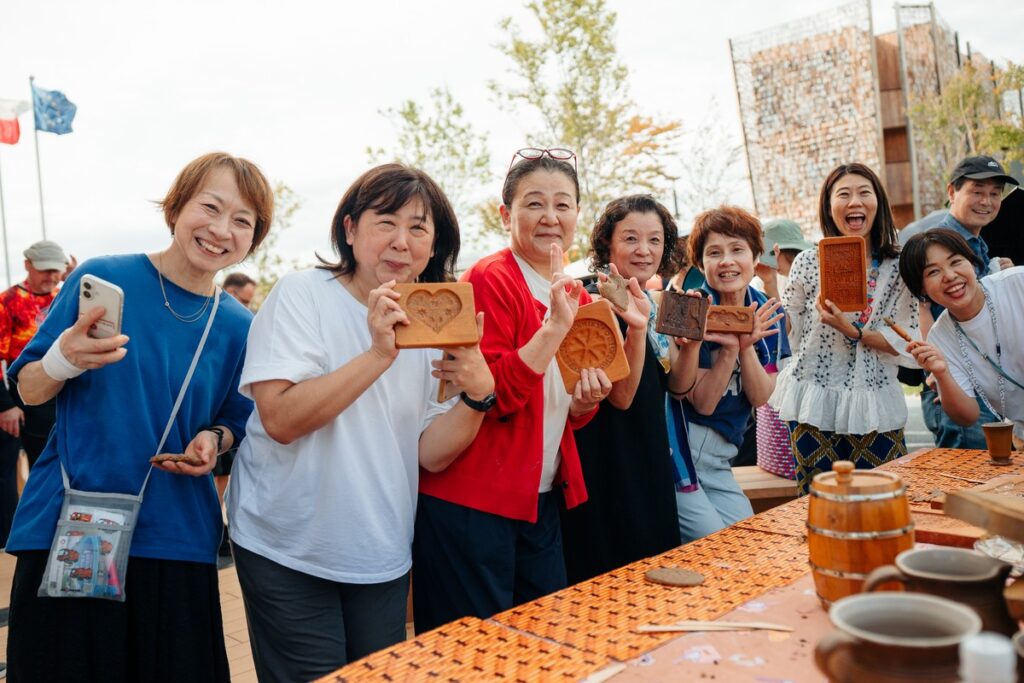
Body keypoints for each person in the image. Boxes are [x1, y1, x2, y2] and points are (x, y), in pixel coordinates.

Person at [5, 152, 274, 682]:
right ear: (175, 208)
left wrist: (212, 441)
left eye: (242, 221)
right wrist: (64, 358)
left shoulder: (240, 326)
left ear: (253, 237)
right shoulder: (105, 278)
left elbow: (232, 422)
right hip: (73, 523)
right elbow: (29, 388)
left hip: (175, 535)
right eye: (210, 207)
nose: (221, 230)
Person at [226, 164, 494, 681]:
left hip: (381, 550)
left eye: (419, 227)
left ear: (435, 243)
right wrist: (378, 354)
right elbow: (280, 418)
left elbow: (430, 452)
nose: (401, 241)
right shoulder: (302, 293)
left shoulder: (435, 321)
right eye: (385, 221)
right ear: (350, 230)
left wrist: (479, 397)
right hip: (287, 545)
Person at [413, 149, 611, 633]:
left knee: (542, 642)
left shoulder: (577, 295)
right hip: (472, 500)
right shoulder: (490, 278)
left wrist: (585, 402)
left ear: (577, 215)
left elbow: (567, 409)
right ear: (506, 214)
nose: (550, 217)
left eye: (563, 205)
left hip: (538, 496)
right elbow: (490, 396)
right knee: (475, 650)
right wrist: (549, 333)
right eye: (534, 204)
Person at [560, 195, 700, 584]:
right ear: (607, 244)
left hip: (650, 458)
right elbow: (620, 397)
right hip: (608, 466)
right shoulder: (589, 300)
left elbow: (678, 387)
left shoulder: (660, 303)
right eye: (631, 239)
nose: (644, 250)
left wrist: (691, 348)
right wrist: (636, 329)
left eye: (655, 240)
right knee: (611, 582)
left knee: (658, 575)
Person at [770, 163, 918, 494]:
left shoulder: (898, 265)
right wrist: (768, 285)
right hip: (813, 399)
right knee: (821, 503)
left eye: (864, 193)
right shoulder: (808, 262)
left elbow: (905, 338)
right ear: (828, 206)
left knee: (882, 501)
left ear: (878, 203)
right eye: (844, 194)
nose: (855, 202)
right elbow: (790, 331)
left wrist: (855, 332)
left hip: (874, 402)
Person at [675, 206, 786, 541]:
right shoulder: (689, 309)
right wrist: (729, 349)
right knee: (713, 545)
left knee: (748, 545)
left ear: (755, 258)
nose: (726, 261)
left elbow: (762, 396)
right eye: (714, 253)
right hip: (680, 459)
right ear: (700, 264)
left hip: (722, 461)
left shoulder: (767, 311)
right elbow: (704, 404)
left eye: (737, 249)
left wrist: (746, 345)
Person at [909, 157, 1019, 450]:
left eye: (995, 194)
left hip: (993, 384)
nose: (987, 201)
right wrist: (938, 374)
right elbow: (921, 308)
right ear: (952, 192)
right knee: (972, 479)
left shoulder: (979, 243)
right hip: (964, 383)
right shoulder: (939, 243)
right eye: (977, 191)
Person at [899, 229, 1024, 449]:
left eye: (955, 261)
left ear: (972, 263)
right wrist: (941, 372)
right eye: (933, 272)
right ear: (922, 290)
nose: (949, 276)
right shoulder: (940, 336)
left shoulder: (1018, 282)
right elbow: (968, 416)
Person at [0, 240, 70, 546]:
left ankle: (49, 532)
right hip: (13, 396)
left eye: (58, 271)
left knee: (51, 465)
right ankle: (8, 537)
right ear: (28, 265)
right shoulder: (8, 302)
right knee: (6, 470)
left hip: (53, 394)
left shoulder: (62, 298)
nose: (52, 277)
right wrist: (4, 406)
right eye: (46, 271)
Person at [753, 219, 814, 303]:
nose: (770, 261)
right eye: (766, 255)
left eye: (773, 253)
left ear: (791, 252)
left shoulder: (813, 277)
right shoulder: (758, 282)